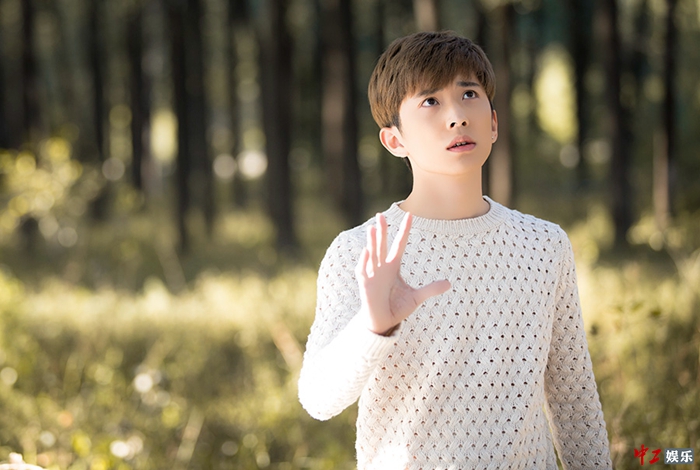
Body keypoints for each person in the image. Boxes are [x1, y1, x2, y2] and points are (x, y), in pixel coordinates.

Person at [298, 31, 612, 469]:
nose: (457, 117)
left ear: (494, 122)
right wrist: (373, 327)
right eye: (430, 101)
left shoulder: (544, 245)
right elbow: (317, 398)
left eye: (469, 94)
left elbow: (574, 400)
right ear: (394, 140)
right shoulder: (359, 251)